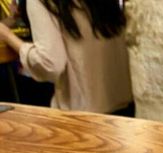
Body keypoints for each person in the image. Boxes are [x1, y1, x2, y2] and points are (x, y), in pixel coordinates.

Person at [0, 0, 133, 114]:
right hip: (125, 107)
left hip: (82, 115)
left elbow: (49, 63)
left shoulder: (40, 2)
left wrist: (8, 36)